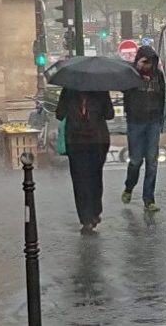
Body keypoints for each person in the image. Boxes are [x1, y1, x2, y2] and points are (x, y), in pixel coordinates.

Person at [55, 88, 114, 234]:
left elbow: (109, 114)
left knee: (94, 178)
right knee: (80, 181)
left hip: (97, 141)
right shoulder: (68, 91)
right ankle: (86, 218)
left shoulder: (101, 90)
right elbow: (59, 113)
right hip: (76, 142)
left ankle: (95, 211)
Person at [121, 46, 166, 212]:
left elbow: (162, 96)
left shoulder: (158, 76)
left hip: (153, 122)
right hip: (135, 122)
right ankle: (129, 187)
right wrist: (136, 71)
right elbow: (124, 90)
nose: (147, 66)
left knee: (152, 162)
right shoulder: (131, 75)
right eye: (144, 62)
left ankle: (149, 199)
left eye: (150, 62)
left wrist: (160, 118)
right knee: (135, 160)